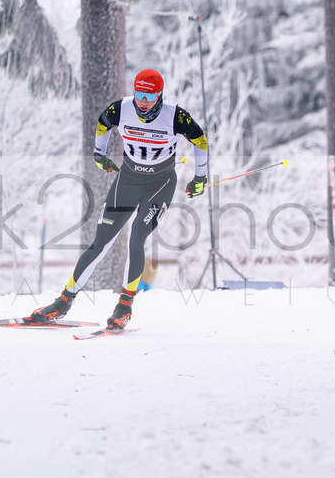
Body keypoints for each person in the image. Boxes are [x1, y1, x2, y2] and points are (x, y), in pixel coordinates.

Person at [27, 69, 208, 329]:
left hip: (160, 184)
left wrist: (200, 177)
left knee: (136, 238)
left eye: (150, 95)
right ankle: (63, 302)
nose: (143, 100)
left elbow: (200, 140)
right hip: (128, 181)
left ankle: (124, 306)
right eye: (139, 93)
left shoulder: (175, 115)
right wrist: (99, 154)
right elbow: (102, 123)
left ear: (159, 94)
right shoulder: (120, 109)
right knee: (99, 243)